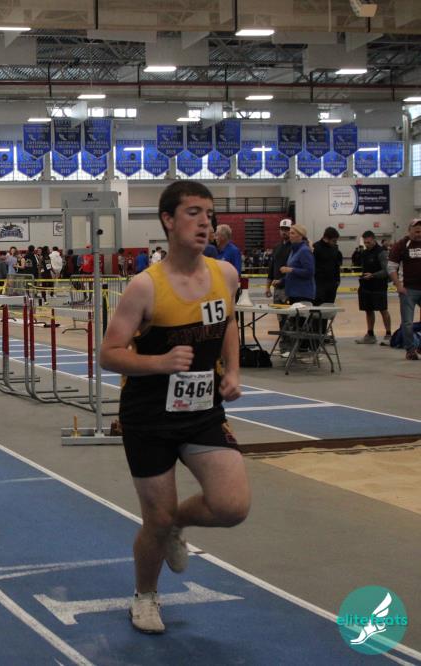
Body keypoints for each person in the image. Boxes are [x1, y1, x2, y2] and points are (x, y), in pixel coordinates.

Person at [100, 180, 246, 635]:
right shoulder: (144, 287)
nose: (205, 223)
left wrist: (233, 371)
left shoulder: (225, 274)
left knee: (232, 506)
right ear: (168, 220)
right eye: (193, 213)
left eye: (209, 214)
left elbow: (228, 323)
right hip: (150, 417)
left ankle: (175, 523)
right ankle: (145, 596)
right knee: (154, 520)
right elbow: (108, 354)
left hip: (202, 411)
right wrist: (159, 362)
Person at [387, 219, 421, 360]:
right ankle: (410, 350)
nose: (419, 234)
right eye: (417, 231)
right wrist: (398, 286)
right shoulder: (401, 245)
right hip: (408, 290)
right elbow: (391, 267)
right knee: (407, 322)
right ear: (409, 230)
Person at [355, 230, 392, 344]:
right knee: (368, 310)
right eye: (365, 242)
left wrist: (373, 275)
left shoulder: (382, 252)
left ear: (374, 240)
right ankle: (370, 335)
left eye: (369, 242)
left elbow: (386, 271)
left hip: (379, 286)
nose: (367, 245)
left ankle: (388, 335)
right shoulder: (364, 253)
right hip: (366, 286)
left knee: (383, 310)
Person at [278, 224, 315, 305]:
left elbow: (309, 272)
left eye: (292, 233)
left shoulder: (304, 251)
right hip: (293, 293)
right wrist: (281, 281)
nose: (289, 235)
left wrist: (291, 270)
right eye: (290, 233)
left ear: (300, 236)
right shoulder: (293, 251)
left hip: (302, 294)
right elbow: (292, 274)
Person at [312, 227, 343, 306]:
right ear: (326, 238)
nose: (335, 243)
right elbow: (312, 266)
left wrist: (337, 280)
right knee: (318, 308)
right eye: (334, 241)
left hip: (332, 284)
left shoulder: (335, 248)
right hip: (318, 284)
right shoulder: (315, 247)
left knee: (329, 308)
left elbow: (337, 265)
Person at [266, 219, 294, 304]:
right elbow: (271, 268)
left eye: (287, 229)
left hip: (290, 288)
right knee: (278, 312)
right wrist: (267, 287)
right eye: (282, 229)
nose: (284, 232)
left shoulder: (295, 247)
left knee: (290, 312)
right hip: (277, 288)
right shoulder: (277, 247)